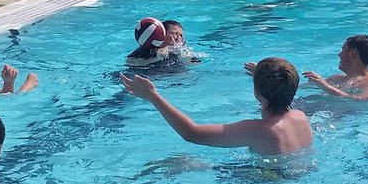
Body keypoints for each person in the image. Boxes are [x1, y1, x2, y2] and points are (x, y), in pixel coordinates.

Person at [120, 57, 312, 155]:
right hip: (294, 175)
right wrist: (262, 75)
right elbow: (283, 88)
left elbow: (191, 133)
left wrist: (152, 96)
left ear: (257, 92)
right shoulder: (299, 116)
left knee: (182, 163)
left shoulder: (258, 130)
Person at [302, 34, 368, 101]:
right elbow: (301, 88)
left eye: (342, 50)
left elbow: (361, 101)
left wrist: (326, 86)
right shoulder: (335, 78)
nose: (339, 54)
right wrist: (316, 80)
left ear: (353, 53)